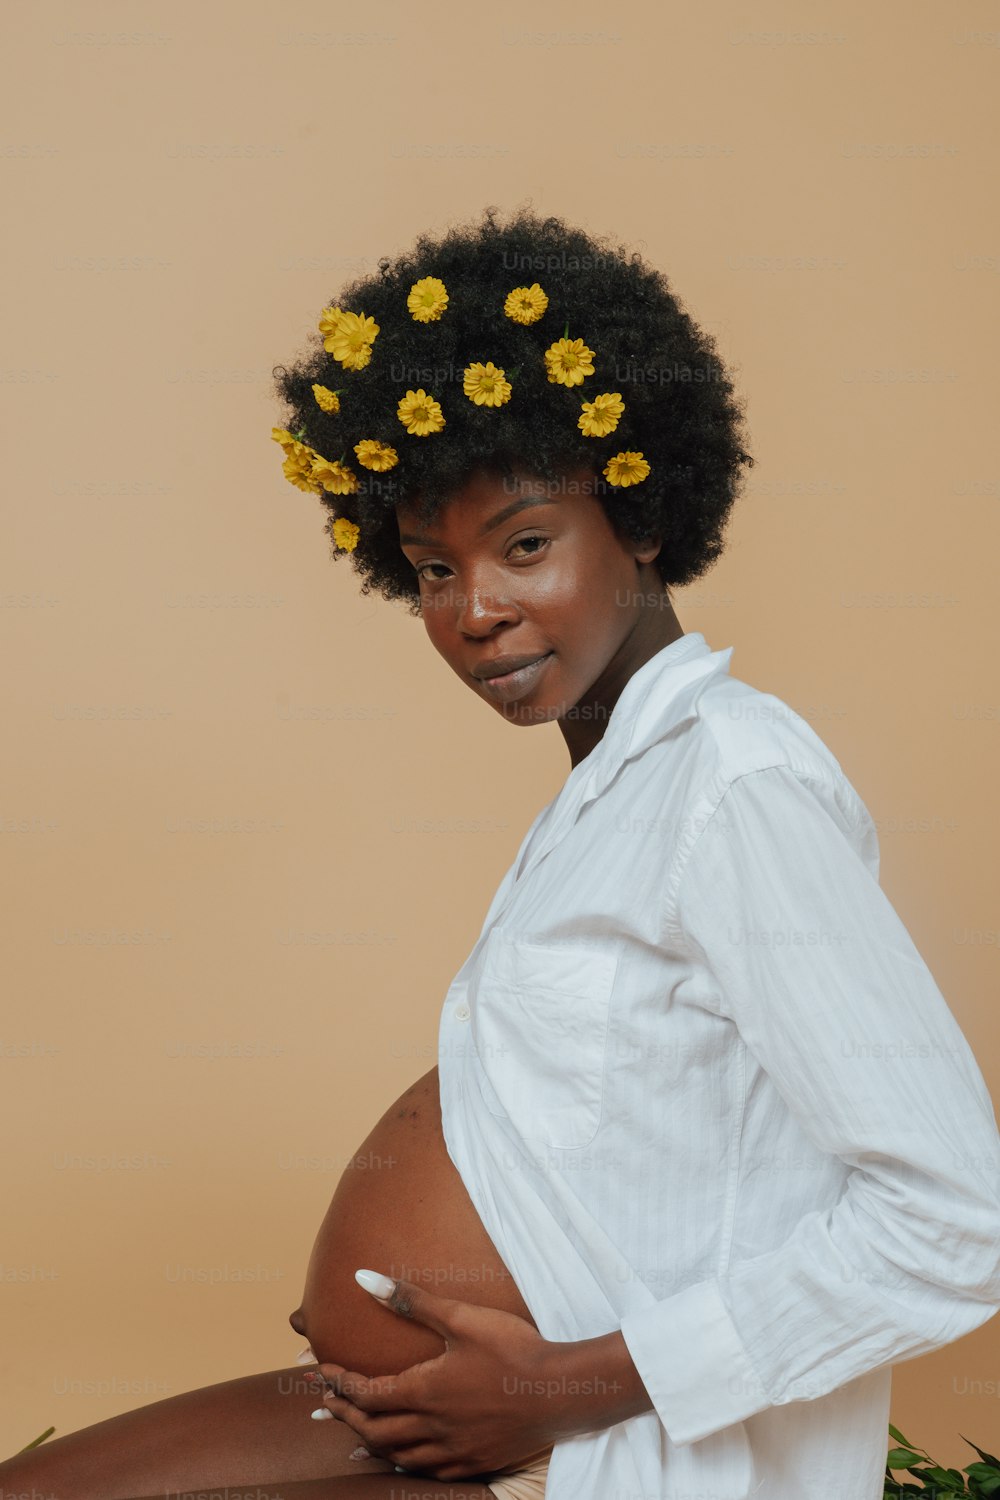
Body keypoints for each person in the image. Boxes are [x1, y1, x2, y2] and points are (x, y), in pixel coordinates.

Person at [3, 203, 999, 1500]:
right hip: (435, 1427)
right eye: (429, 569)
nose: (474, 612)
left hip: (590, 1441)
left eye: (524, 544)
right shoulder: (609, 802)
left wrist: (553, 1386)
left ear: (640, 517)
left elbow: (954, 1224)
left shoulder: (730, 787)